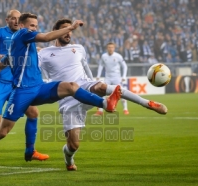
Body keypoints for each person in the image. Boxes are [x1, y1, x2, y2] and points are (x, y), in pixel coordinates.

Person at [0, 13, 122, 178]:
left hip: (38, 88)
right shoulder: (23, 34)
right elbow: (46, 37)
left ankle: (105, 104)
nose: (35, 29)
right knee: (2, 131)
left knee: (71, 86)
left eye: (36, 26)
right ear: (23, 26)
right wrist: (71, 27)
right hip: (22, 92)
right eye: (32, 26)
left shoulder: (21, 45)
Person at [39, 19, 168, 171]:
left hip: (85, 86)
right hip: (67, 98)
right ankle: (69, 160)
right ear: (56, 31)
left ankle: (146, 103)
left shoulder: (78, 48)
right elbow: (39, 74)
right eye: (65, 29)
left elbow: (85, 67)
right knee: (73, 145)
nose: (69, 33)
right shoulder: (44, 53)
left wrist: (93, 82)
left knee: (103, 87)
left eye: (70, 30)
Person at [0, 9, 48, 166]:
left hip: (17, 82)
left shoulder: (24, 34)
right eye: (13, 19)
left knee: (33, 112)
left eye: (18, 19)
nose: (16, 21)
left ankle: (31, 150)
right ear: (7, 20)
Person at [95, 42, 129, 115]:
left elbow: (124, 66)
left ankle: (125, 109)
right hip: (108, 77)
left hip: (116, 77)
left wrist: (124, 76)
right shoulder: (104, 56)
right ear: (107, 48)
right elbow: (101, 66)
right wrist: (98, 76)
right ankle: (100, 111)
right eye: (109, 47)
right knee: (102, 93)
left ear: (114, 48)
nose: (110, 49)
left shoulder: (118, 56)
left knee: (121, 92)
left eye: (112, 47)